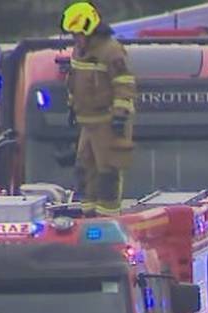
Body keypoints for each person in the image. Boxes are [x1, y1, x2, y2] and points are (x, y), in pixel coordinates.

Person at [62, 2, 136, 216]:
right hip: (88, 121)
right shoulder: (79, 51)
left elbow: (124, 83)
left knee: (107, 172)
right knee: (84, 169)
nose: (75, 38)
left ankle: (107, 216)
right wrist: (71, 107)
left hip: (107, 121)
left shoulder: (111, 51)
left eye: (77, 34)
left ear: (88, 28)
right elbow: (75, 81)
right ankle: (88, 213)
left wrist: (120, 115)